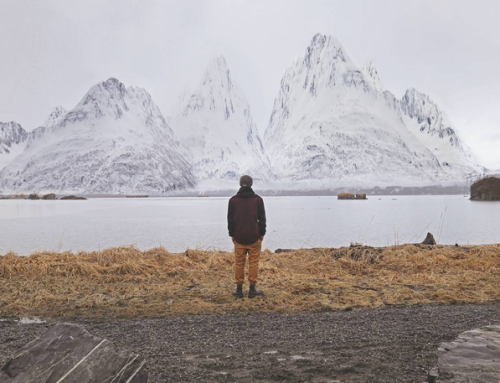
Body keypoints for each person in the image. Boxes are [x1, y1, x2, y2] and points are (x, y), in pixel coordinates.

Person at [227, 175, 266, 298]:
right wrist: (262, 234)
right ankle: (252, 289)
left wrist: (232, 235)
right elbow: (262, 220)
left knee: (239, 263)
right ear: (251, 184)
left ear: (240, 184)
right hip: (254, 237)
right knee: (253, 263)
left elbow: (230, 220)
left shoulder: (233, 200)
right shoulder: (258, 200)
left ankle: (239, 290)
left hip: (239, 237)